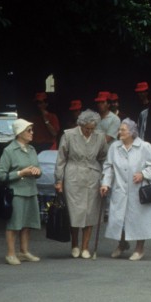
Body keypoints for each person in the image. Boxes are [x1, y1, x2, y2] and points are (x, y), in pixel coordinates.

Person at [99, 119, 151, 261]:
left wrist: (143, 174)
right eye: (119, 129)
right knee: (119, 218)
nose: (119, 132)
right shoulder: (115, 147)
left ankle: (139, 249)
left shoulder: (144, 147)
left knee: (140, 219)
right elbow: (108, 167)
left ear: (132, 132)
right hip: (120, 189)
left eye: (123, 130)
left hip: (138, 190)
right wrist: (105, 184)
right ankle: (122, 243)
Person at [55, 110, 109, 259]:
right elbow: (61, 159)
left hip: (93, 175)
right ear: (81, 124)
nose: (89, 131)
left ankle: (85, 247)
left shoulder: (100, 137)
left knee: (90, 211)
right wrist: (58, 180)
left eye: (92, 128)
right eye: (87, 128)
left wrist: (106, 179)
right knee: (75, 212)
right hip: (73, 174)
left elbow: (104, 158)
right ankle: (75, 244)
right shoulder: (69, 135)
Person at [0, 119, 42, 266]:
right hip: (16, 192)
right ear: (19, 133)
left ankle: (24, 251)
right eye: (29, 130)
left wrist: (37, 171)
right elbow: (1, 175)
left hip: (31, 190)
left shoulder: (32, 149)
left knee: (27, 223)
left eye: (32, 130)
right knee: (14, 224)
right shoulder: (9, 151)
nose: (32, 133)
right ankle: (11, 253)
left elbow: (38, 169)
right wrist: (20, 173)